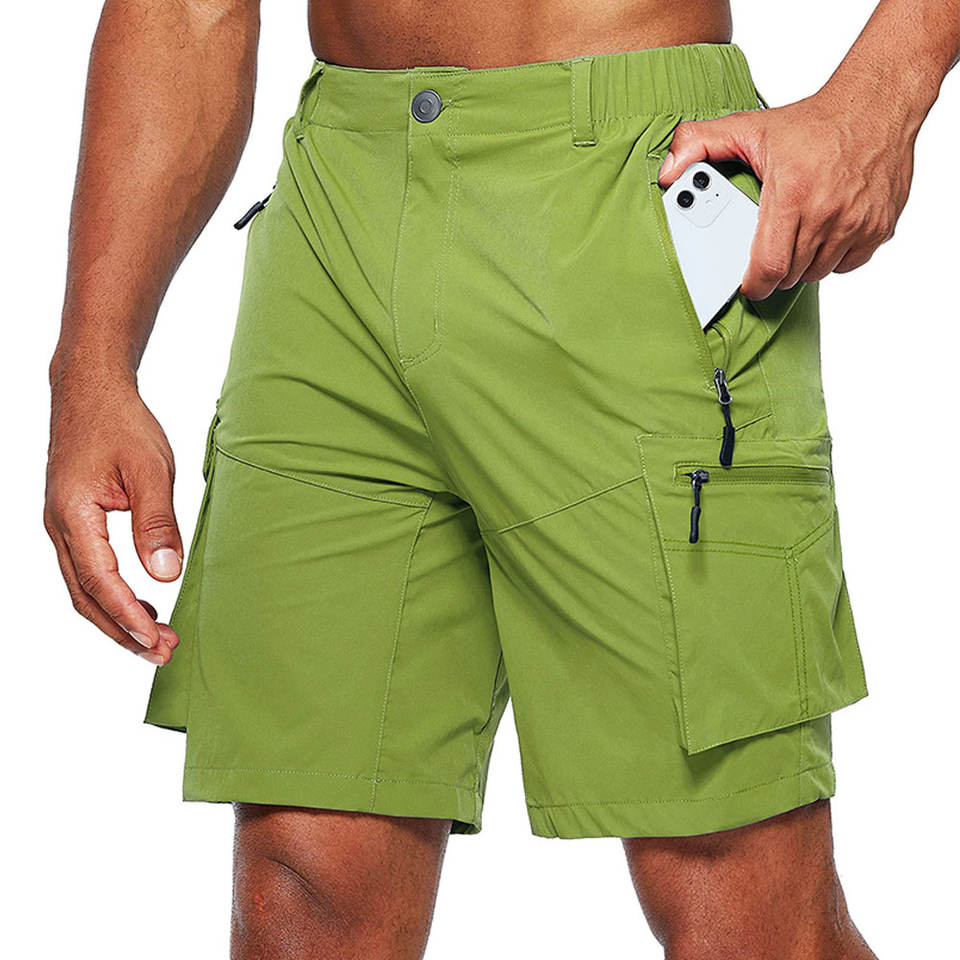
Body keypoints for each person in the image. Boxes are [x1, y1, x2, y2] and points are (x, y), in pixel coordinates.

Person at [45, 1, 958, 957]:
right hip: (338, 213)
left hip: (637, 185)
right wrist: (94, 361)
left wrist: (878, 101)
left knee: (739, 905)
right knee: (305, 890)